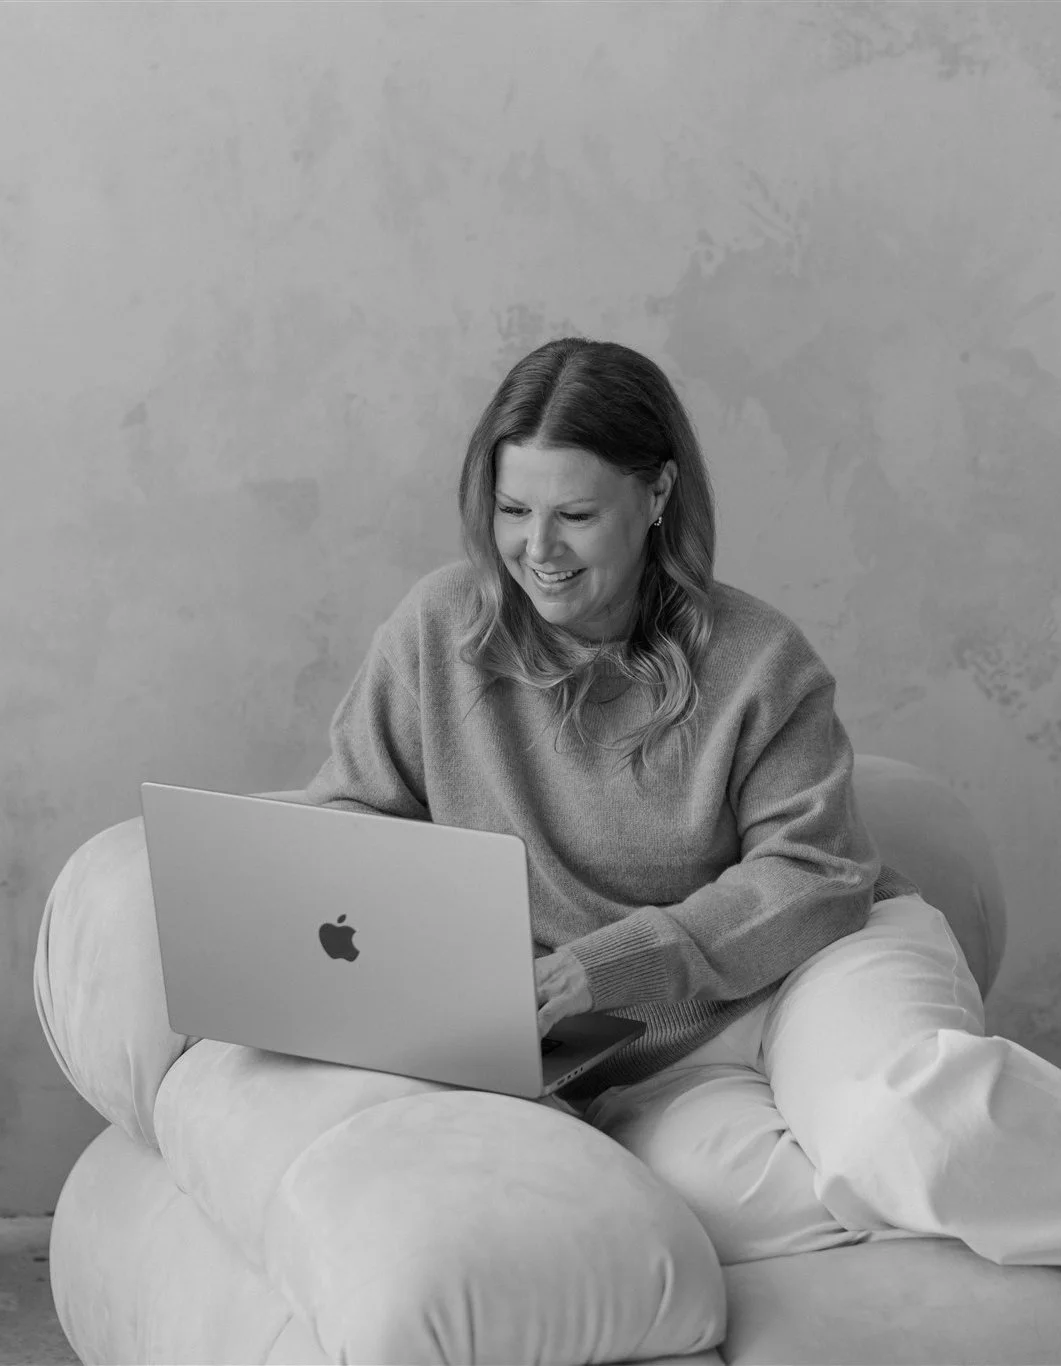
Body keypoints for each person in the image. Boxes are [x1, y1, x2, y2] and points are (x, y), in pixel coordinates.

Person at [306, 336, 1061, 1269]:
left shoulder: (757, 657)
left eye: (575, 514)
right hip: (634, 1054)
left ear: (656, 496)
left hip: (814, 970)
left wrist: (621, 962)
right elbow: (349, 824)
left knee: (902, 1129)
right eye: (512, 510)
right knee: (710, 1214)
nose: (536, 550)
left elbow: (816, 875)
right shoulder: (438, 631)